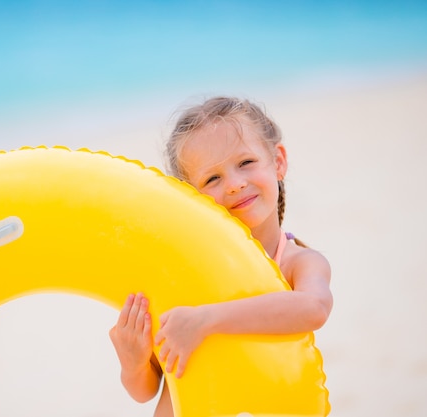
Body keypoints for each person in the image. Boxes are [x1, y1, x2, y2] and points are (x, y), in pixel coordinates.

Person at [109, 96, 333, 417]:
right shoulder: (183, 274)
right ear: (191, 198)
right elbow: (147, 390)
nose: (234, 185)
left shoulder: (297, 262)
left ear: (278, 161)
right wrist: (133, 363)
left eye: (245, 163)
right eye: (212, 179)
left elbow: (313, 308)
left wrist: (206, 321)